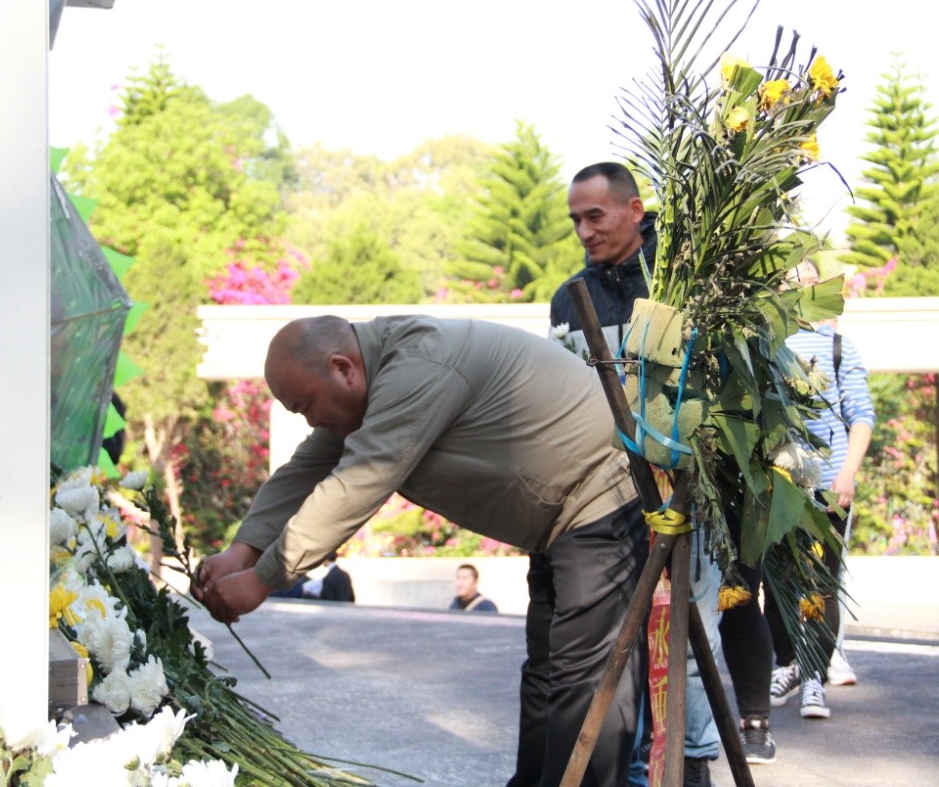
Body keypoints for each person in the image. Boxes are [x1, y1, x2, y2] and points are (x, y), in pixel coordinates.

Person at [194, 314, 648, 786]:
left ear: (342, 368)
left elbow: (360, 480)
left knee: (585, 682)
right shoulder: (374, 375)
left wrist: (262, 578)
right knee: (548, 672)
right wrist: (239, 554)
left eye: (306, 406)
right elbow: (303, 470)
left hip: (604, 494)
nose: (310, 421)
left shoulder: (417, 365)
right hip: (562, 518)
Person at [549, 161, 723, 787]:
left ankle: (690, 765)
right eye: (575, 219)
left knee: (687, 642)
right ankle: (622, 770)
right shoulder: (570, 296)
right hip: (605, 496)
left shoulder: (682, 279)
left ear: (634, 211)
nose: (584, 231)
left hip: (684, 491)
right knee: (616, 646)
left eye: (594, 216)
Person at [766, 260, 875, 720]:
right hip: (775, 485)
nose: (802, 287)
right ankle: (789, 663)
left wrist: (846, 474)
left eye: (809, 279)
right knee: (776, 585)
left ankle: (815, 677)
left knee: (823, 584)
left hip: (828, 485)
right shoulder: (764, 345)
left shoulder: (838, 347)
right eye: (791, 281)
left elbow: (861, 415)